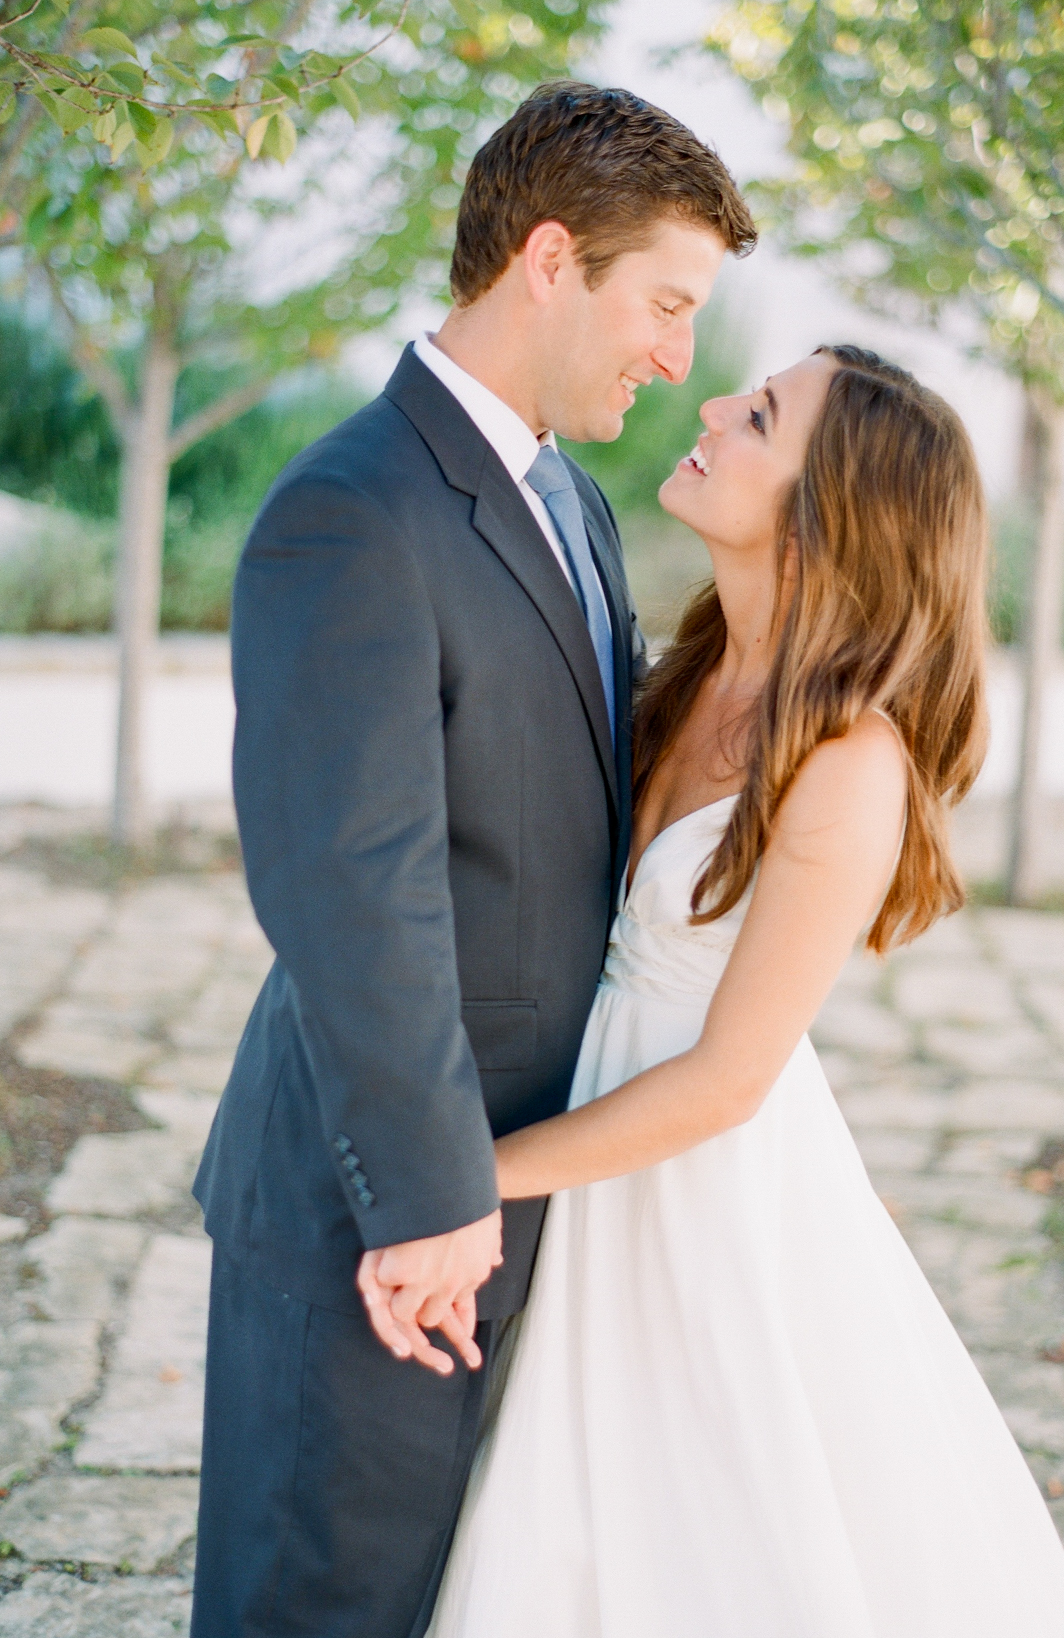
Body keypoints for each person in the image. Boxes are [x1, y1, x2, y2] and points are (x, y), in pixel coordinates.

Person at [189, 82, 756, 1637]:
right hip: (385, 1206)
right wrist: (437, 1201)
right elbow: (347, 890)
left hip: (523, 1187)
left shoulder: (570, 498)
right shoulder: (348, 514)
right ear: (552, 259)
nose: (677, 356)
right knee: (320, 1608)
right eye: (665, 304)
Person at [427, 346, 1064, 1636]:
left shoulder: (851, 762)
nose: (714, 408)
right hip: (584, 1123)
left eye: (761, 415)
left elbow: (731, 1080)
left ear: (826, 506)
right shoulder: (676, 677)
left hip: (694, 1182)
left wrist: (467, 1170)